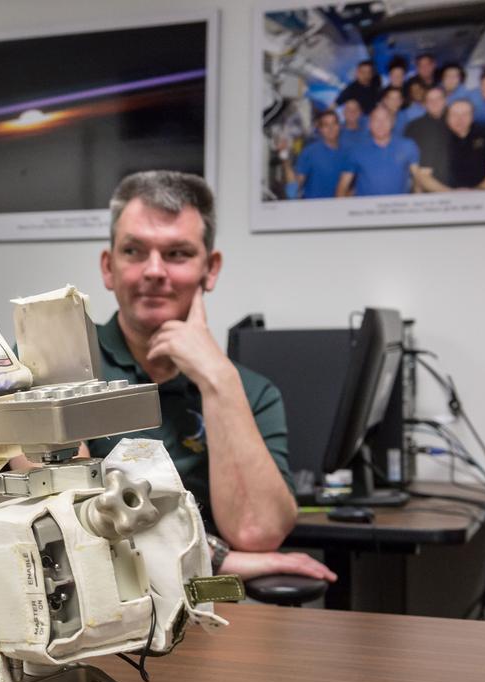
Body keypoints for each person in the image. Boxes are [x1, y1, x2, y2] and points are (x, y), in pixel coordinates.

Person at [81, 171, 334, 584]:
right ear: (109, 267)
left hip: (212, 616)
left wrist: (216, 378)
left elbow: (259, 531)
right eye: (134, 251)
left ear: (210, 269)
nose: (154, 271)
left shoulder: (252, 391)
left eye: (178, 253)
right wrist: (219, 559)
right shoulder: (60, 366)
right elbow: (71, 519)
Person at [336, 105, 423, 196]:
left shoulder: (407, 145)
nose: (381, 124)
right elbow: (342, 187)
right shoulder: (356, 150)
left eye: (385, 119)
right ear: (369, 124)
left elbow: (418, 179)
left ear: (392, 123)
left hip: (398, 207)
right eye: (376, 120)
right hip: (366, 208)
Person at [282, 111, 348, 199]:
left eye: (334, 124)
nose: (331, 128)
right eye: (326, 125)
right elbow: (293, 191)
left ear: (339, 126)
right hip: (315, 209)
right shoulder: (309, 152)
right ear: (320, 129)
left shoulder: (348, 153)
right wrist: (284, 158)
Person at [441, 99, 485, 190]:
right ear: (447, 117)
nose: (460, 119)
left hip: (483, 193)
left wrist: (478, 190)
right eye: (454, 114)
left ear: (472, 117)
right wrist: (449, 192)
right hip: (446, 195)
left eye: (465, 114)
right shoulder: (437, 138)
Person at [403, 86, 453, 186]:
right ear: (425, 104)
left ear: (445, 100)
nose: (434, 103)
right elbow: (407, 158)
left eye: (438, 98)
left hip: (455, 183)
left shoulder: (456, 123)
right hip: (422, 183)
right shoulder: (413, 126)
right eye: (430, 100)